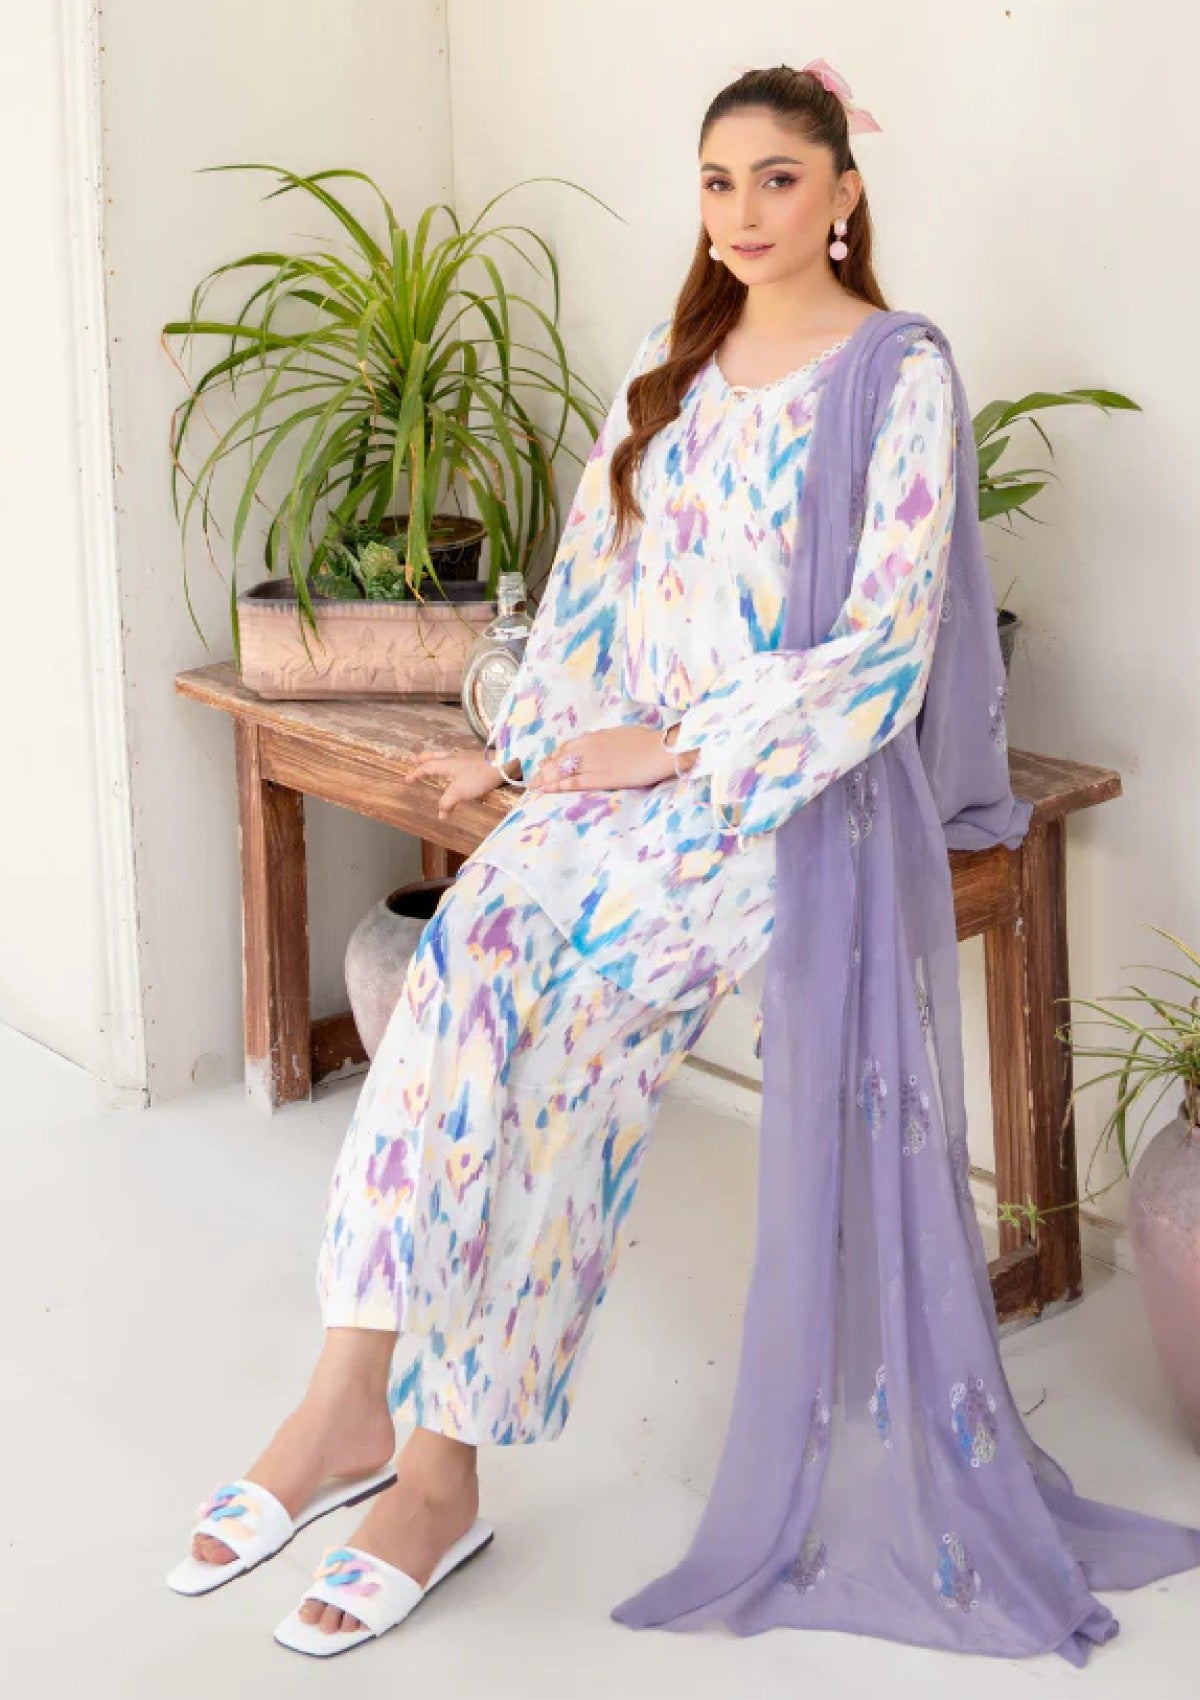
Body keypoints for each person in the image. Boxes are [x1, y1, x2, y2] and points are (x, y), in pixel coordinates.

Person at [168, 62, 1200, 1662]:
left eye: (779, 179)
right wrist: (529, 747)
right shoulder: (670, 368)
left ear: (844, 191)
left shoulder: (896, 374)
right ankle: (346, 1399)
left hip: (780, 797)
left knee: (568, 1048)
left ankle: (438, 1475)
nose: (743, 213)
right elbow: (591, 596)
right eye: (718, 181)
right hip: (616, 782)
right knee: (459, 981)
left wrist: (669, 747)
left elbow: (882, 657)